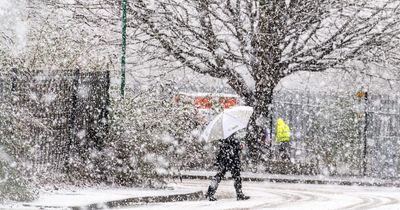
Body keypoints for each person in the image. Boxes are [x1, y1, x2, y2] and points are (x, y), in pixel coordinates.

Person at [205, 132, 250, 201]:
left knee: (220, 176)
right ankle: (239, 194)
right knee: (236, 177)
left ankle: (210, 193)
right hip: (231, 160)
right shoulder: (232, 137)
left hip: (225, 159)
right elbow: (235, 147)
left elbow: (222, 149)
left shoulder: (223, 137)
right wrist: (240, 146)